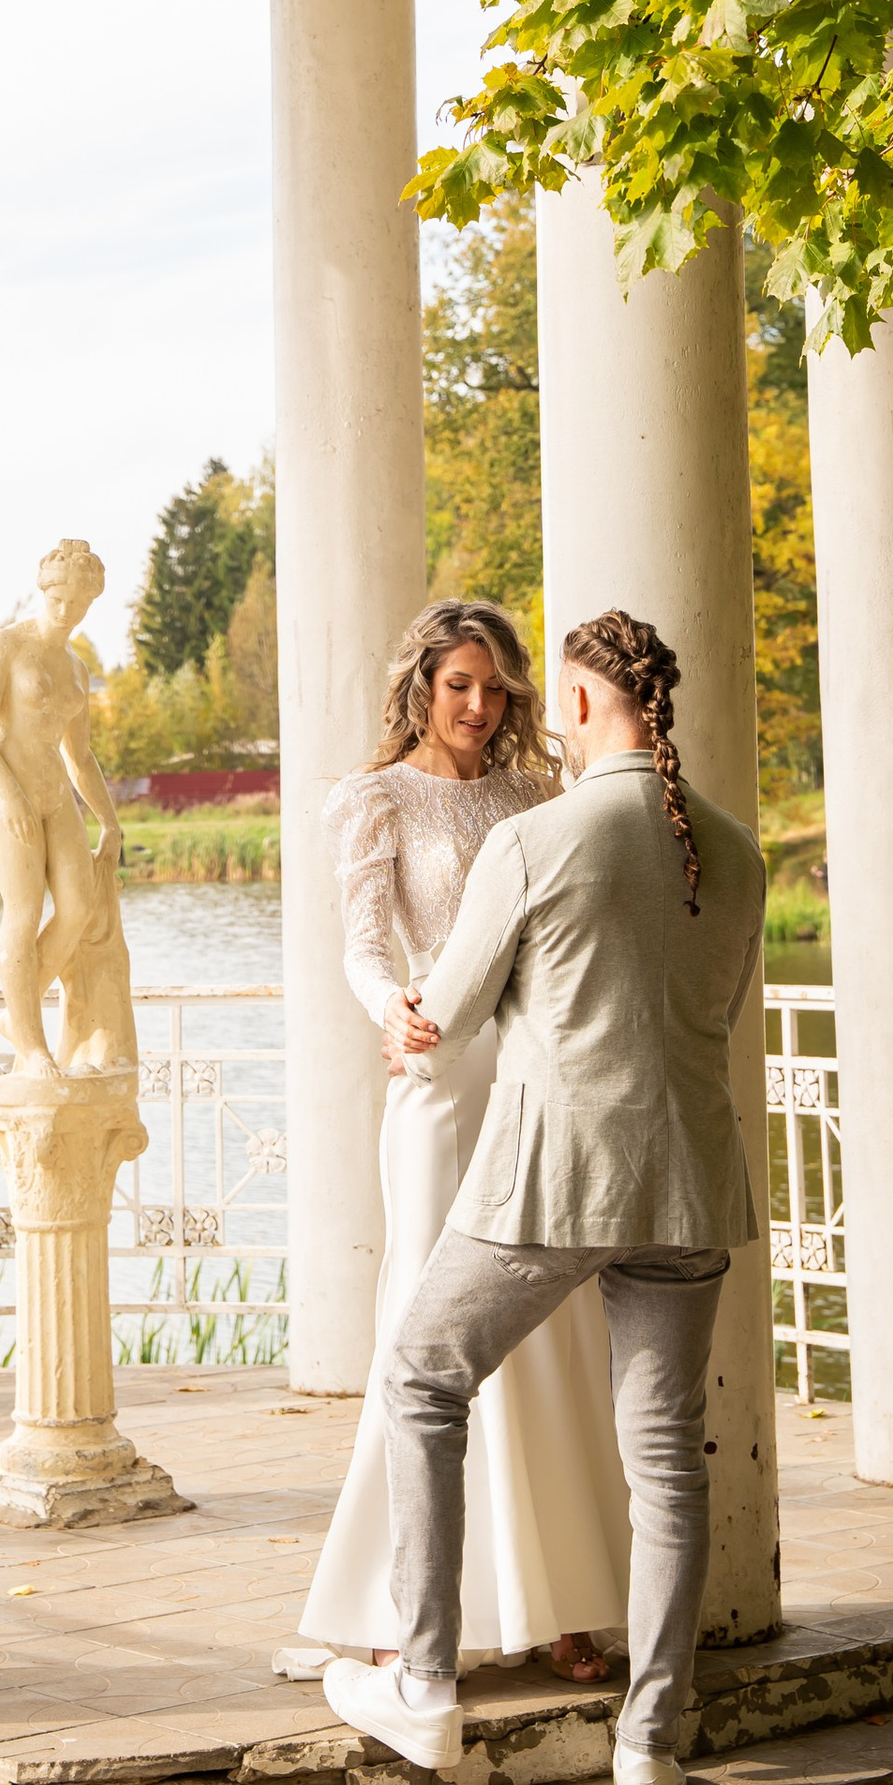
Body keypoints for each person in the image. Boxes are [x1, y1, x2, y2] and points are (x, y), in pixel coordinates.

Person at [321, 608, 764, 1785]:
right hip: (690, 1185)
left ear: (569, 705)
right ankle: (649, 1752)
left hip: (554, 1181)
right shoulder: (730, 847)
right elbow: (717, 1009)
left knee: (419, 1372)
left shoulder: (531, 833)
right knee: (668, 1461)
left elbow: (450, 1012)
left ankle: (420, 1681)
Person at [295, 599, 632, 1689]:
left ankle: (565, 1604)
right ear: (421, 687)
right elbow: (356, 945)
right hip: (439, 1079)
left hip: (534, 1078)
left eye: (495, 689)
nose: (480, 708)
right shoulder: (373, 799)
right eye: (459, 687)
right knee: (425, 1327)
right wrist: (389, 1005)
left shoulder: (539, 793)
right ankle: (403, 1600)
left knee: (550, 1326)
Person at [0, 538, 136, 1076]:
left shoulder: (77, 669)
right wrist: (8, 792)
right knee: (24, 909)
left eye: (79, 603)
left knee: (80, 907)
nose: (67, 611)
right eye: (59, 599)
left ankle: (20, 1012)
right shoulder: (7, 646)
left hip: (55, 789)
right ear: (44, 591)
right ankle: (33, 1048)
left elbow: (80, 756)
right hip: (1, 788)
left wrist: (109, 821)